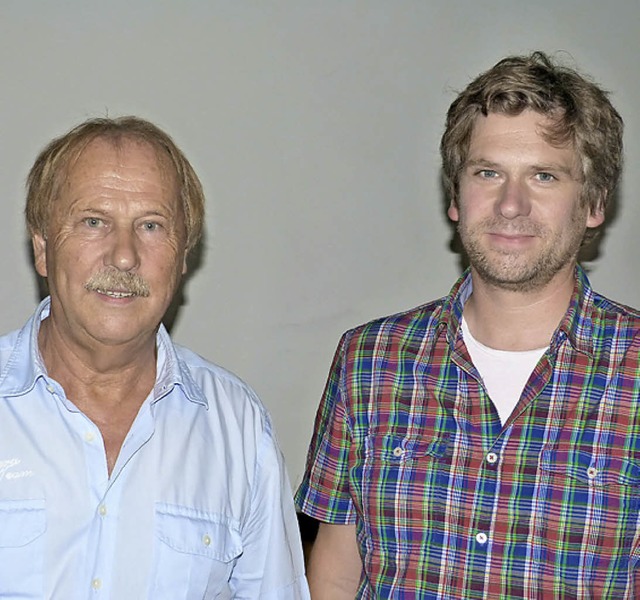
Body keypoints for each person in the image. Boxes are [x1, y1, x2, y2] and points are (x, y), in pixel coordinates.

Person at [296, 51, 640, 598]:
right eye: (488, 172)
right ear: (456, 194)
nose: (509, 204)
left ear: (594, 201)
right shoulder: (369, 360)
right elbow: (336, 573)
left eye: (544, 176)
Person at [0, 116, 309, 599]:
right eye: (94, 221)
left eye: (151, 225)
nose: (123, 256)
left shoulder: (238, 427)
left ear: (183, 257)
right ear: (42, 249)